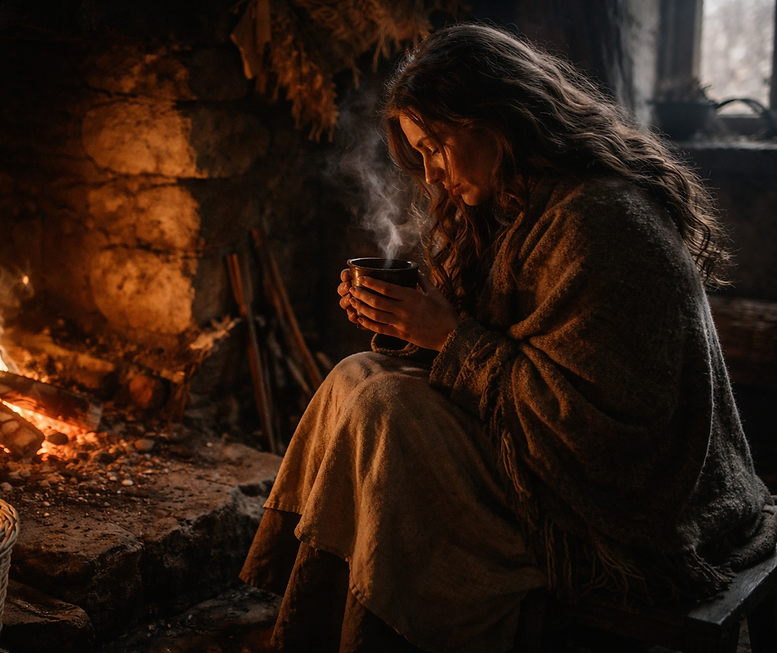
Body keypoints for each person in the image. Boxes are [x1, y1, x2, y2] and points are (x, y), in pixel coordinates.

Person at [239, 22, 777, 653]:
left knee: (384, 410)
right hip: (548, 452)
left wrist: (448, 335)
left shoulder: (599, 220)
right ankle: (319, 622)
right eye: (421, 155)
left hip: (633, 504)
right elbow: (507, 345)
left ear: (497, 117)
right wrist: (409, 327)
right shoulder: (513, 202)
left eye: (437, 145)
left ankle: (385, 630)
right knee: (358, 377)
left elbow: (595, 431)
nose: (433, 176)